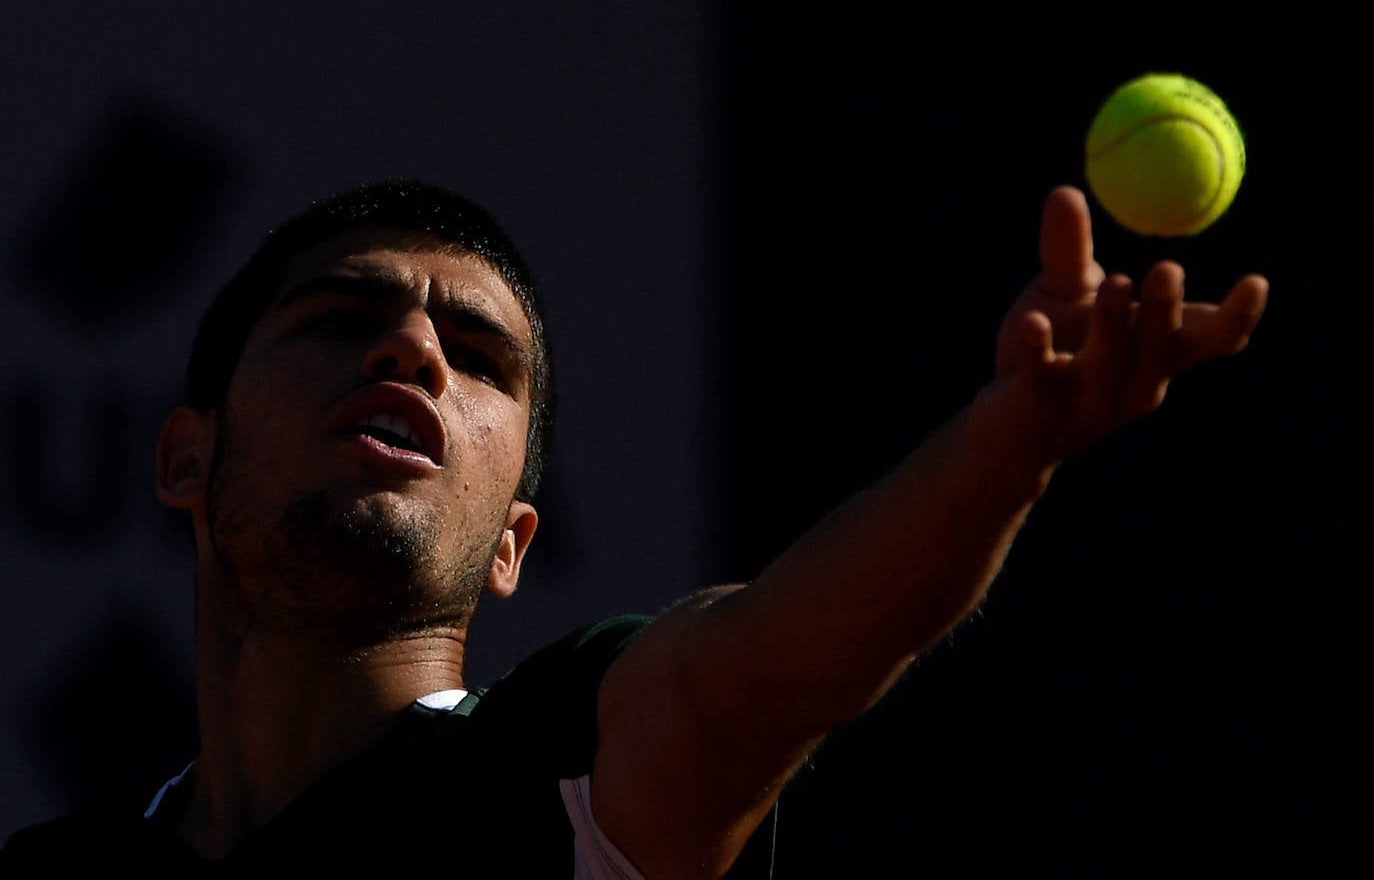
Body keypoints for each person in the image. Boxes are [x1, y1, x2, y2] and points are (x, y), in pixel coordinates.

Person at [0, 179, 1268, 878]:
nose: (413, 352)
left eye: (481, 356)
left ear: (514, 544)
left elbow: (770, 665)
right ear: (184, 457)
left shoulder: (566, 764)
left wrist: (1008, 452)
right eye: (339, 317)